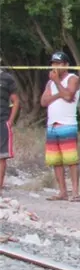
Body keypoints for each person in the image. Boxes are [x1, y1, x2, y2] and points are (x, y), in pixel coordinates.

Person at [40, 51, 80, 202]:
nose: (55, 66)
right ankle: (62, 192)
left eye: (58, 63)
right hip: (52, 125)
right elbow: (44, 102)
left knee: (71, 160)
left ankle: (76, 193)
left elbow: (69, 96)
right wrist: (58, 93)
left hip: (67, 124)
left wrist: (58, 83)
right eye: (53, 63)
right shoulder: (50, 82)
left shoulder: (73, 78)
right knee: (56, 161)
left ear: (66, 65)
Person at [0, 63, 20, 194]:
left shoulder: (7, 78)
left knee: (1, 157)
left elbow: (16, 101)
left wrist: (10, 121)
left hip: (2, 121)